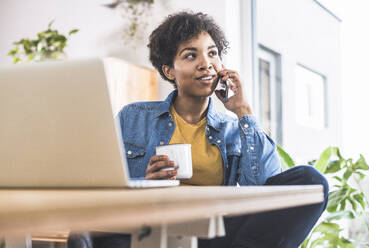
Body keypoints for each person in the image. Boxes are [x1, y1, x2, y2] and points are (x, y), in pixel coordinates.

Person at [68, 11, 329, 248]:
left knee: (311, 180)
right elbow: (103, 190)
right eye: (191, 55)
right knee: (91, 232)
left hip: (211, 234)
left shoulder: (234, 129)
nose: (206, 63)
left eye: (213, 53)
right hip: (148, 228)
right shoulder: (133, 117)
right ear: (169, 71)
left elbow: (265, 191)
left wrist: (243, 111)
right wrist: (144, 185)